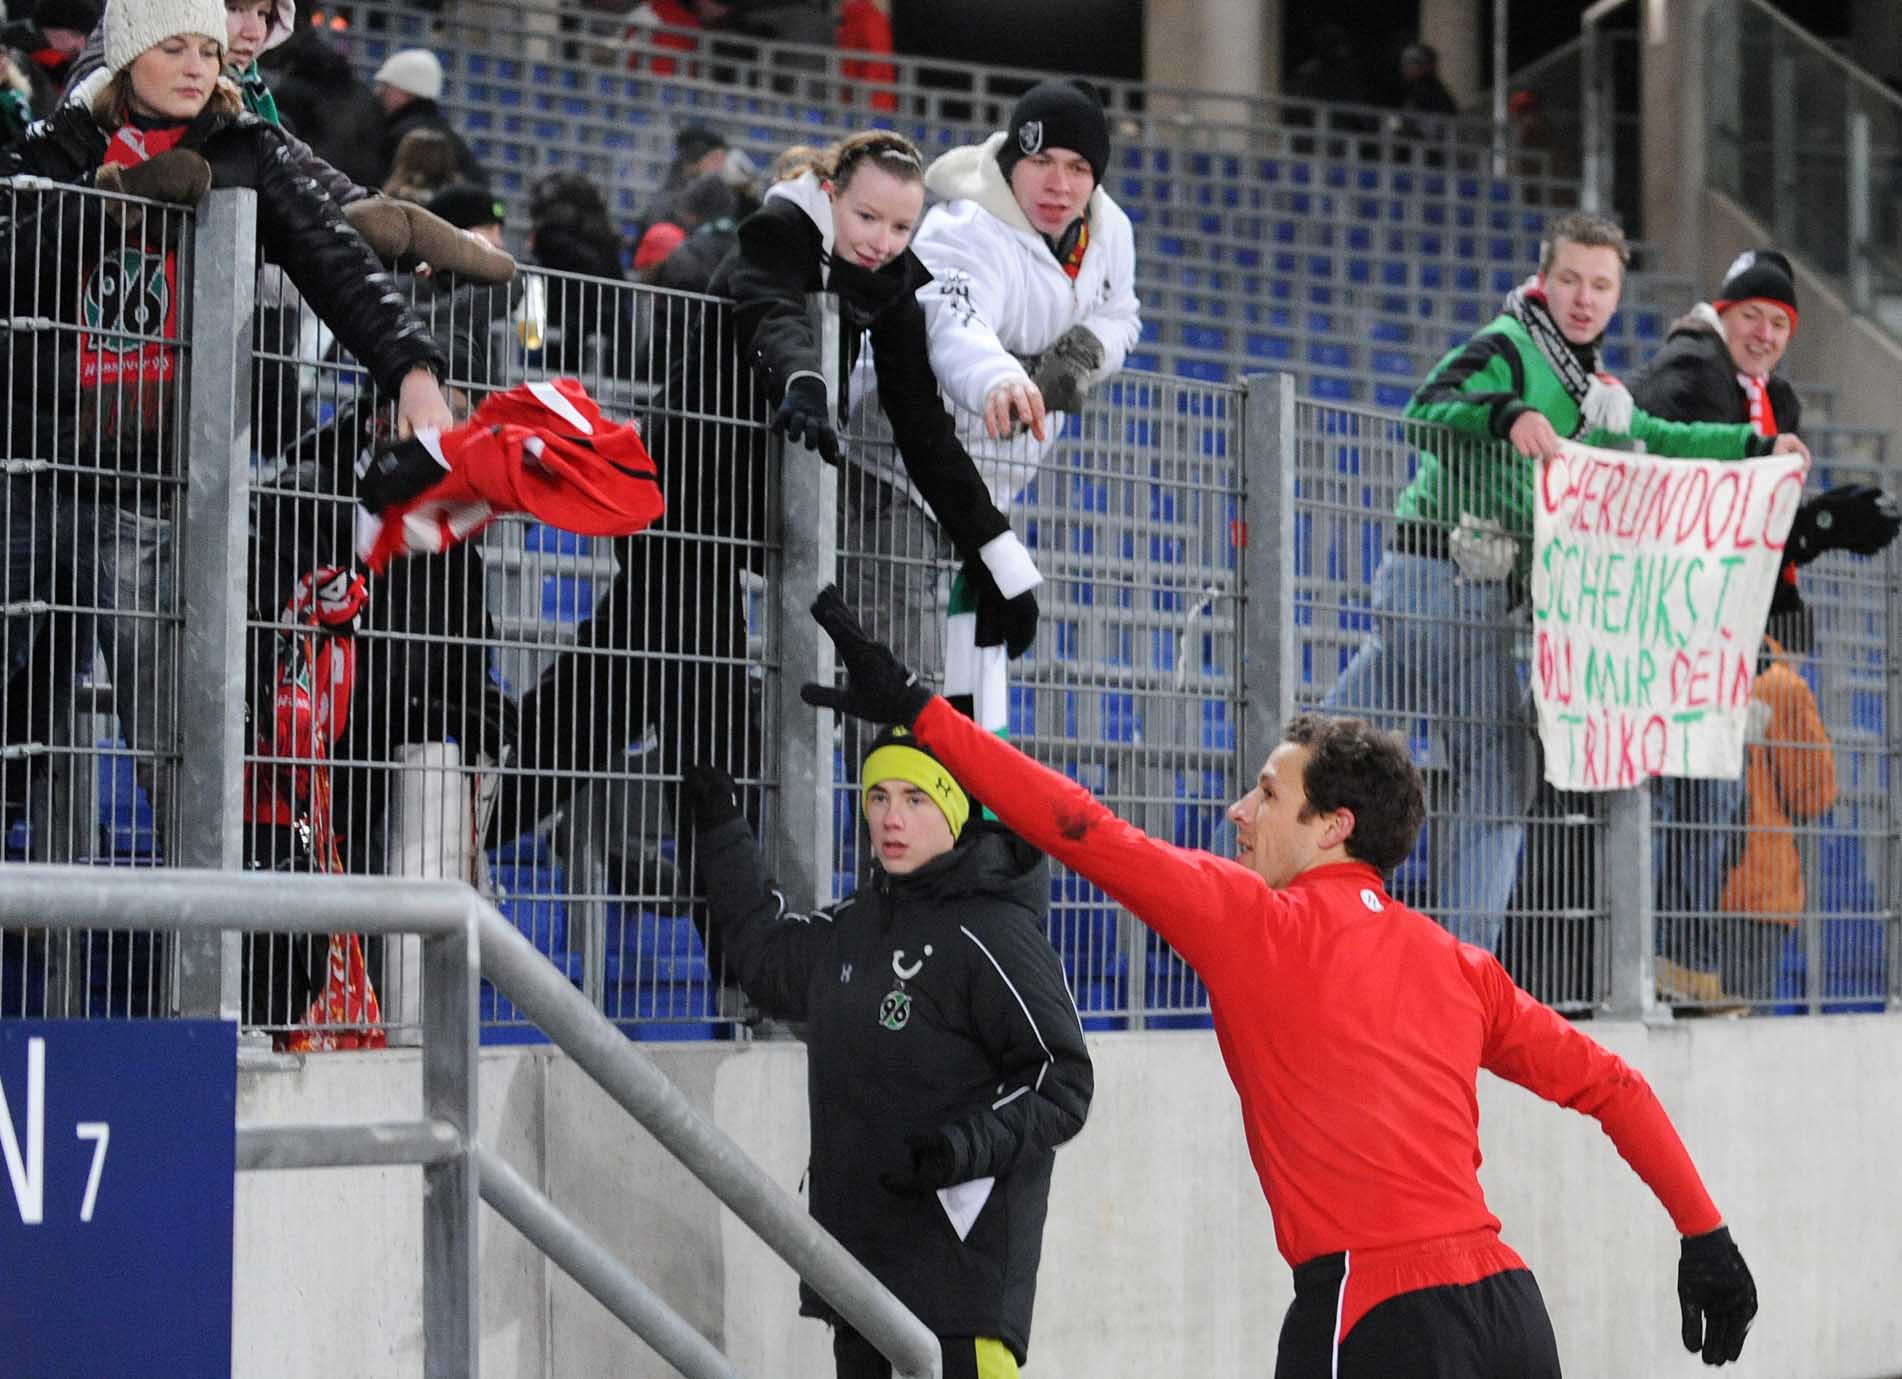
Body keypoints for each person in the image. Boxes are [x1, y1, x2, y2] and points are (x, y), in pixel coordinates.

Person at [799, 584, 1761, 1378]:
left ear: (1334, 825)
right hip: (1511, 1310)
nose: (1238, 809)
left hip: (1373, 1314)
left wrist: (926, 712)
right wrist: (1705, 1235)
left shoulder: (1256, 923)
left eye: (1266, 792)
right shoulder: (1460, 963)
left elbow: (1082, 827)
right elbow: (1615, 1085)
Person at [1, 0, 454, 852]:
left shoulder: (243, 146)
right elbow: (11, 269)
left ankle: (202, 959)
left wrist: (411, 368)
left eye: (208, 50)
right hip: (32, 470)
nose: (198, 65)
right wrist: (109, 204)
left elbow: (335, 259)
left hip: (154, 489)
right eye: (173, 46)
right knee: (22, 709)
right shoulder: (61, 145)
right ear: (129, 54)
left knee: (178, 737)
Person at [1322, 211, 1810, 953]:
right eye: (1572, 280)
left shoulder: (1596, 390)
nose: (1585, 298)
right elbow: (1423, 412)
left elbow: (1662, 445)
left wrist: (1753, 444)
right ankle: (1462, 972)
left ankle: (1247, 859)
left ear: (1618, 296)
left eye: (1602, 285)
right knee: (1504, 772)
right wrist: (1505, 413)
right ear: (1544, 281)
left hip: (1467, 591)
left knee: (1323, 746)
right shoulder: (1511, 345)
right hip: (1442, 580)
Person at [680, 725, 1093, 1379]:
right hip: (860, 1274)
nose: (891, 817)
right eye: (877, 796)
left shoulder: (995, 930)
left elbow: (1061, 1078)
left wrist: (963, 1145)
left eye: (915, 798)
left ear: (955, 810)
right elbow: (762, 958)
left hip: (959, 1291)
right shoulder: (855, 925)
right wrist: (722, 829)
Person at [1628, 250, 1899, 1001]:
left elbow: (1755, 524)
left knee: (1705, 803)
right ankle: (1653, 958)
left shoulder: (1774, 399)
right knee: (1683, 804)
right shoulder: (1690, 369)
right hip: (1675, 624)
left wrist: (1812, 529)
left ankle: (1679, 960)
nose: (1765, 332)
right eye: (1752, 315)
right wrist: (1808, 524)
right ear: (1723, 313)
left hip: (1727, 629)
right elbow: (1697, 494)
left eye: (1780, 322)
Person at [714, 129, 1043, 678]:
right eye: (867, 217)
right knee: (675, 659)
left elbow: (924, 432)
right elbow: (773, 313)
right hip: (690, 473)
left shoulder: (893, 286)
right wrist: (803, 380)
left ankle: (527, 739)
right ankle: (532, 743)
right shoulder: (777, 231)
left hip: (758, 485)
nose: (881, 242)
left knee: (661, 656)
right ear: (831, 193)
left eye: (900, 228)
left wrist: (995, 555)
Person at [906, 77, 1139, 725]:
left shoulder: (1108, 228)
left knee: (963, 676)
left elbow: (1123, 311)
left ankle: (959, 822)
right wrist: (1000, 379)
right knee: (902, 671)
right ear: (1013, 158)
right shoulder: (966, 223)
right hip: (901, 475)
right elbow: (949, 318)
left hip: (992, 493)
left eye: (1078, 167)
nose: (1059, 184)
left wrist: (1087, 348)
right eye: (1041, 162)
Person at [371, 46, 485, 187]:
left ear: (406, 91)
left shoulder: (400, 136)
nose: (379, 93)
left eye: (387, 86)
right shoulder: (451, 139)